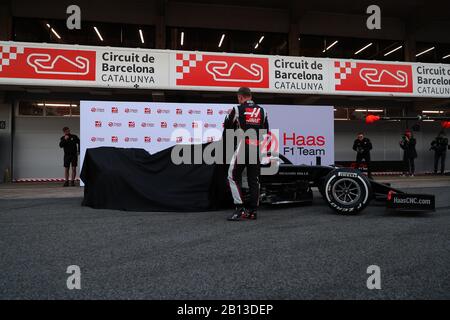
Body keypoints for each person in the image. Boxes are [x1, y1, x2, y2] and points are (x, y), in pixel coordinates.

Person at [224, 87, 269, 221]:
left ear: (240, 97)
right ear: (250, 96)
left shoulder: (237, 109)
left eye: (238, 98)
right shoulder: (263, 110)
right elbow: (266, 131)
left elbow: (227, 127)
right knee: (253, 180)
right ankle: (253, 211)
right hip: (257, 146)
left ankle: (239, 209)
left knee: (231, 176)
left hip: (244, 145)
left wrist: (229, 117)